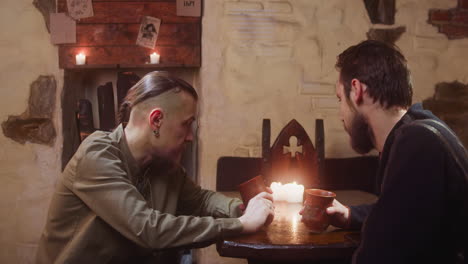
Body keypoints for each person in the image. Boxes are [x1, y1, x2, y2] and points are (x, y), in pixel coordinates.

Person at [36, 72, 275, 264]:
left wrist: (246, 207)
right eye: (187, 124)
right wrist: (241, 224)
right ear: (156, 120)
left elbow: (201, 201)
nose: (190, 137)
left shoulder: (163, 165)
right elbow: (148, 229)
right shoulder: (97, 153)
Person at [318, 40, 467, 263]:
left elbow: (380, 255)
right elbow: (407, 215)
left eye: (340, 99)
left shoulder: (417, 144)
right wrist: (350, 216)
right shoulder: (419, 130)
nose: (341, 114)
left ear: (357, 90)